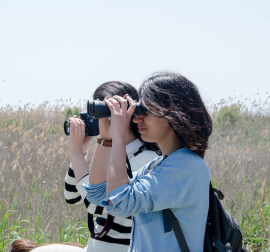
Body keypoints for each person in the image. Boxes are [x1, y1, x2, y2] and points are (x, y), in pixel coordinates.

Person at [84, 71, 212, 252]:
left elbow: (119, 202)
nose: (137, 118)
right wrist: (106, 139)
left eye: (147, 110)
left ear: (174, 113)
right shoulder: (157, 165)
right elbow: (98, 196)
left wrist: (119, 135)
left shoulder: (187, 166)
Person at [65, 81, 160, 252]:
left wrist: (76, 154)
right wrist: (83, 149)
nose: (95, 120)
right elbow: (71, 196)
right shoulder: (108, 152)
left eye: (98, 113)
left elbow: (96, 205)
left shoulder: (147, 159)